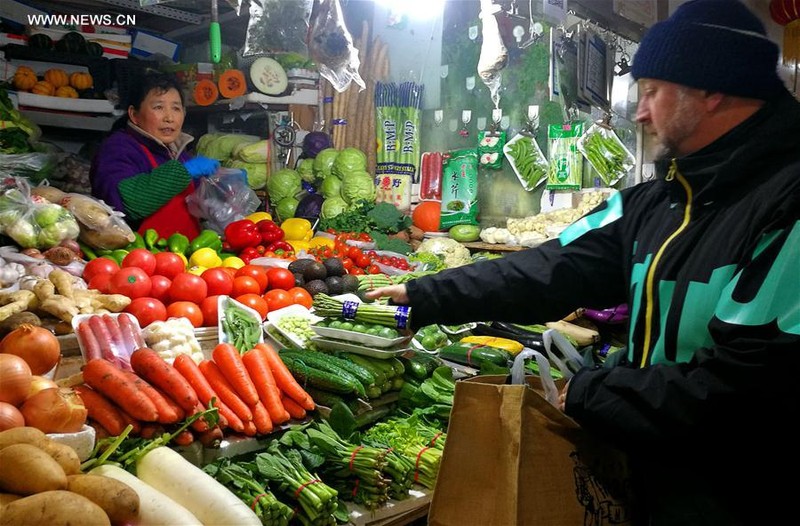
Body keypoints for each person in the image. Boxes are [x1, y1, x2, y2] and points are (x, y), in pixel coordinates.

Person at [368, 1, 800, 524]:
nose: (641, 113)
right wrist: (425, 295)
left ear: (712, 89)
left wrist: (596, 392)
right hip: (659, 485)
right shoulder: (656, 201)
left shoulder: (787, 205)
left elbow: (748, 389)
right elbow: (557, 266)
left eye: (652, 92)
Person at [90, 72, 220, 239]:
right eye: (158, 107)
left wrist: (222, 187)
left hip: (186, 258)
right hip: (136, 258)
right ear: (134, 115)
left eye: (176, 108)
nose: (169, 118)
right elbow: (127, 202)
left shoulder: (180, 154)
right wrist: (185, 172)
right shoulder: (117, 149)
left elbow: (200, 205)